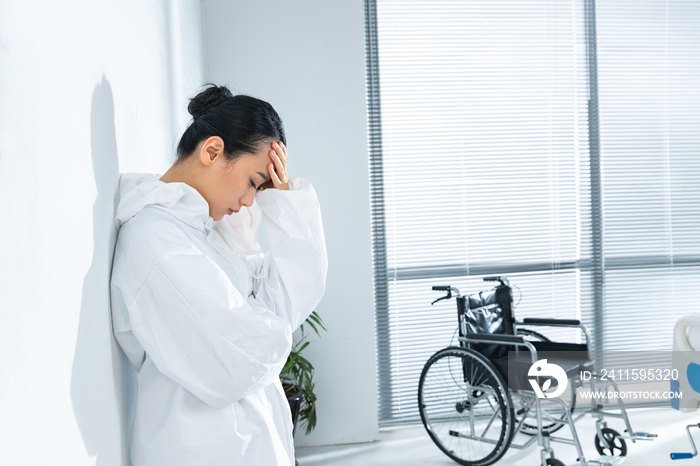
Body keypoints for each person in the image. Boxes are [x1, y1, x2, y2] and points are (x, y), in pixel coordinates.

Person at [110, 84, 328, 466]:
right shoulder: (154, 240)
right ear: (212, 151)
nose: (250, 201)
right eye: (253, 183)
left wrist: (282, 198)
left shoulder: (206, 233)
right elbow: (241, 362)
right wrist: (267, 329)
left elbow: (289, 302)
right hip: (200, 450)